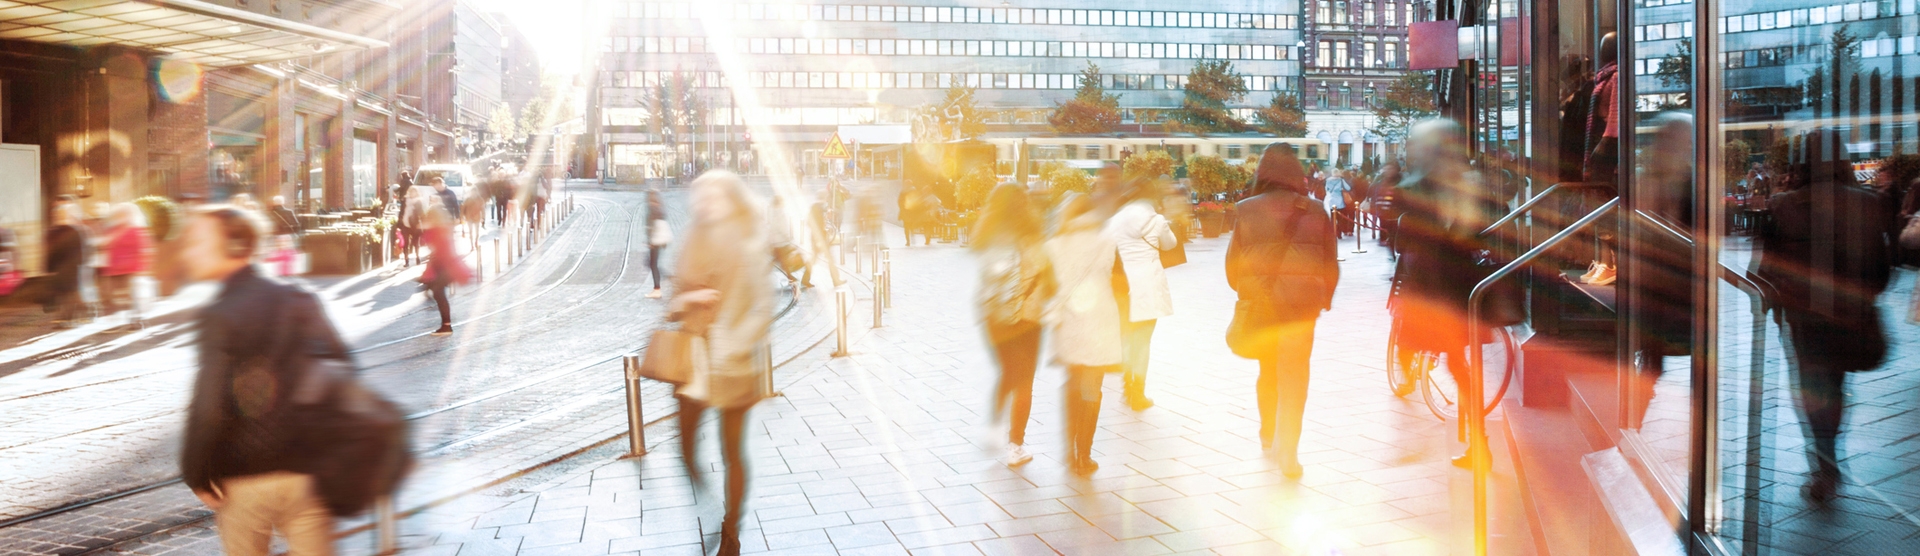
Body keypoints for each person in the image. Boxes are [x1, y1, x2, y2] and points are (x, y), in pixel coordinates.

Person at [179, 205, 344, 556]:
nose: (188, 250)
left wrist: (196, 471)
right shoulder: (299, 298)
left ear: (235, 245)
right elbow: (341, 374)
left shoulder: (220, 314)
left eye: (197, 241)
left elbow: (210, 403)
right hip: (309, 472)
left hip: (246, 478)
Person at [1754, 129, 1893, 505]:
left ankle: (1824, 464)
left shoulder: (1782, 204)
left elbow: (1761, 271)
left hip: (1803, 317)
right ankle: (1829, 458)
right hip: (1847, 314)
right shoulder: (1866, 202)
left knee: (1813, 387)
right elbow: (1883, 270)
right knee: (1835, 385)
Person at [670, 171, 773, 556]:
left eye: (714, 195)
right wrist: (690, 300)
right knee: (684, 451)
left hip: (735, 363)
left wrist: (735, 344)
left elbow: (762, 308)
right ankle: (713, 509)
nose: (705, 202)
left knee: (732, 451)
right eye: (700, 195)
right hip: (692, 360)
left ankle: (731, 533)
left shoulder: (750, 240)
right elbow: (674, 301)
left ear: (732, 199)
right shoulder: (693, 238)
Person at [1227, 146, 1340, 477]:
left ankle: (1267, 436)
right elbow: (1331, 264)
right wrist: (1322, 300)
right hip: (1301, 310)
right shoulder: (1317, 210)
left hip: (1264, 307)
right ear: (1296, 173)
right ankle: (1288, 453)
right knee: (1295, 377)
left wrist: (1251, 291)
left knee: (1268, 371)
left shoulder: (1246, 210)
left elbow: (1232, 269)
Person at [1390, 119, 1493, 467]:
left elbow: (1409, 235)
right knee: (1460, 364)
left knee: (1448, 359)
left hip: (1437, 289)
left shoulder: (1423, 185)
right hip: (1463, 288)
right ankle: (1479, 444)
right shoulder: (1469, 182)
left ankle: (1480, 446)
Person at [971, 183, 1055, 467]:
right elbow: (1050, 282)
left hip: (992, 319)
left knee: (1007, 372)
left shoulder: (987, 237)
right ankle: (1015, 446)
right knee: (1024, 381)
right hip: (1026, 318)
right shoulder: (1034, 238)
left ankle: (993, 428)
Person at [1044, 192, 1121, 475]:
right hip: (1099, 322)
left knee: (1072, 384)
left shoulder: (1052, 245)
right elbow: (1117, 280)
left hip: (1068, 324)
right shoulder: (1106, 242)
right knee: (1091, 388)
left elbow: (1049, 287)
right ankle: (1084, 455)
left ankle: (1069, 448)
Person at [1101, 175, 1178, 411]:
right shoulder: (1157, 220)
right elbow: (1170, 245)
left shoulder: (1114, 220)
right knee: (1143, 341)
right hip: (1148, 287)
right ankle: (1138, 393)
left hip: (1123, 286)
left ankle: (1127, 385)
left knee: (1126, 336)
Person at [420, 204, 471, 336]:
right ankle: (446, 325)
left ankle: (446, 326)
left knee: (438, 293)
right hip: (445, 265)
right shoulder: (444, 228)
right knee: (437, 292)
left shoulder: (436, 230)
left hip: (443, 266)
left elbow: (428, 242)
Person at [100, 204, 154, 328]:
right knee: (113, 298)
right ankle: (113, 323)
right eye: (119, 214)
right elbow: (105, 246)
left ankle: (136, 321)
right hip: (114, 269)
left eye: (124, 214)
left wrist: (144, 268)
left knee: (134, 297)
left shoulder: (137, 230)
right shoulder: (112, 230)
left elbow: (144, 250)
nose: (121, 217)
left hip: (132, 269)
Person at [45, 202, 92, 328]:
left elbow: (82, 251)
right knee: (64, 294)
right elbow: (50, 251)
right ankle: (66, 317)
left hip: (71, 268)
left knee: (70, 294)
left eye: (61, 214)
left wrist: (80, 265)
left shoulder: (74, 231)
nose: (59, 216)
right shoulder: (54, 231)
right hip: (62, 268)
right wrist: (49, 268)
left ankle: (67, 319)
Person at [800, 200, 841, 288]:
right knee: (829, 259)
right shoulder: (818, 213)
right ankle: (836, 280)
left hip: (818, 240)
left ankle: (805, 279)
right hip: (819, 240)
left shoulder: (816, 213)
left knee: (816, 259)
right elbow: (820, 227)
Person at [646, 188, 669, 298]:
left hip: (654, 241)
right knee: (651, 263)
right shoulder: (659, 207)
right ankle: (659, 285)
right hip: (658, 240)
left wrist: (650, 240)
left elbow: (652, 226)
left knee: (652, 264)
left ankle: (657, 289)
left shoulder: (652, 208)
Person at [1324, 169, 1354, 237]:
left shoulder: (1328, 180)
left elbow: (1327, 189)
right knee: (1340, 219)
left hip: (1332, 201)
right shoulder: (1341, 180)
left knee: (1333, 218)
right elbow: (1348, 188)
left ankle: (1333, 232)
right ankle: (1339, 233)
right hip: (1340, 202)